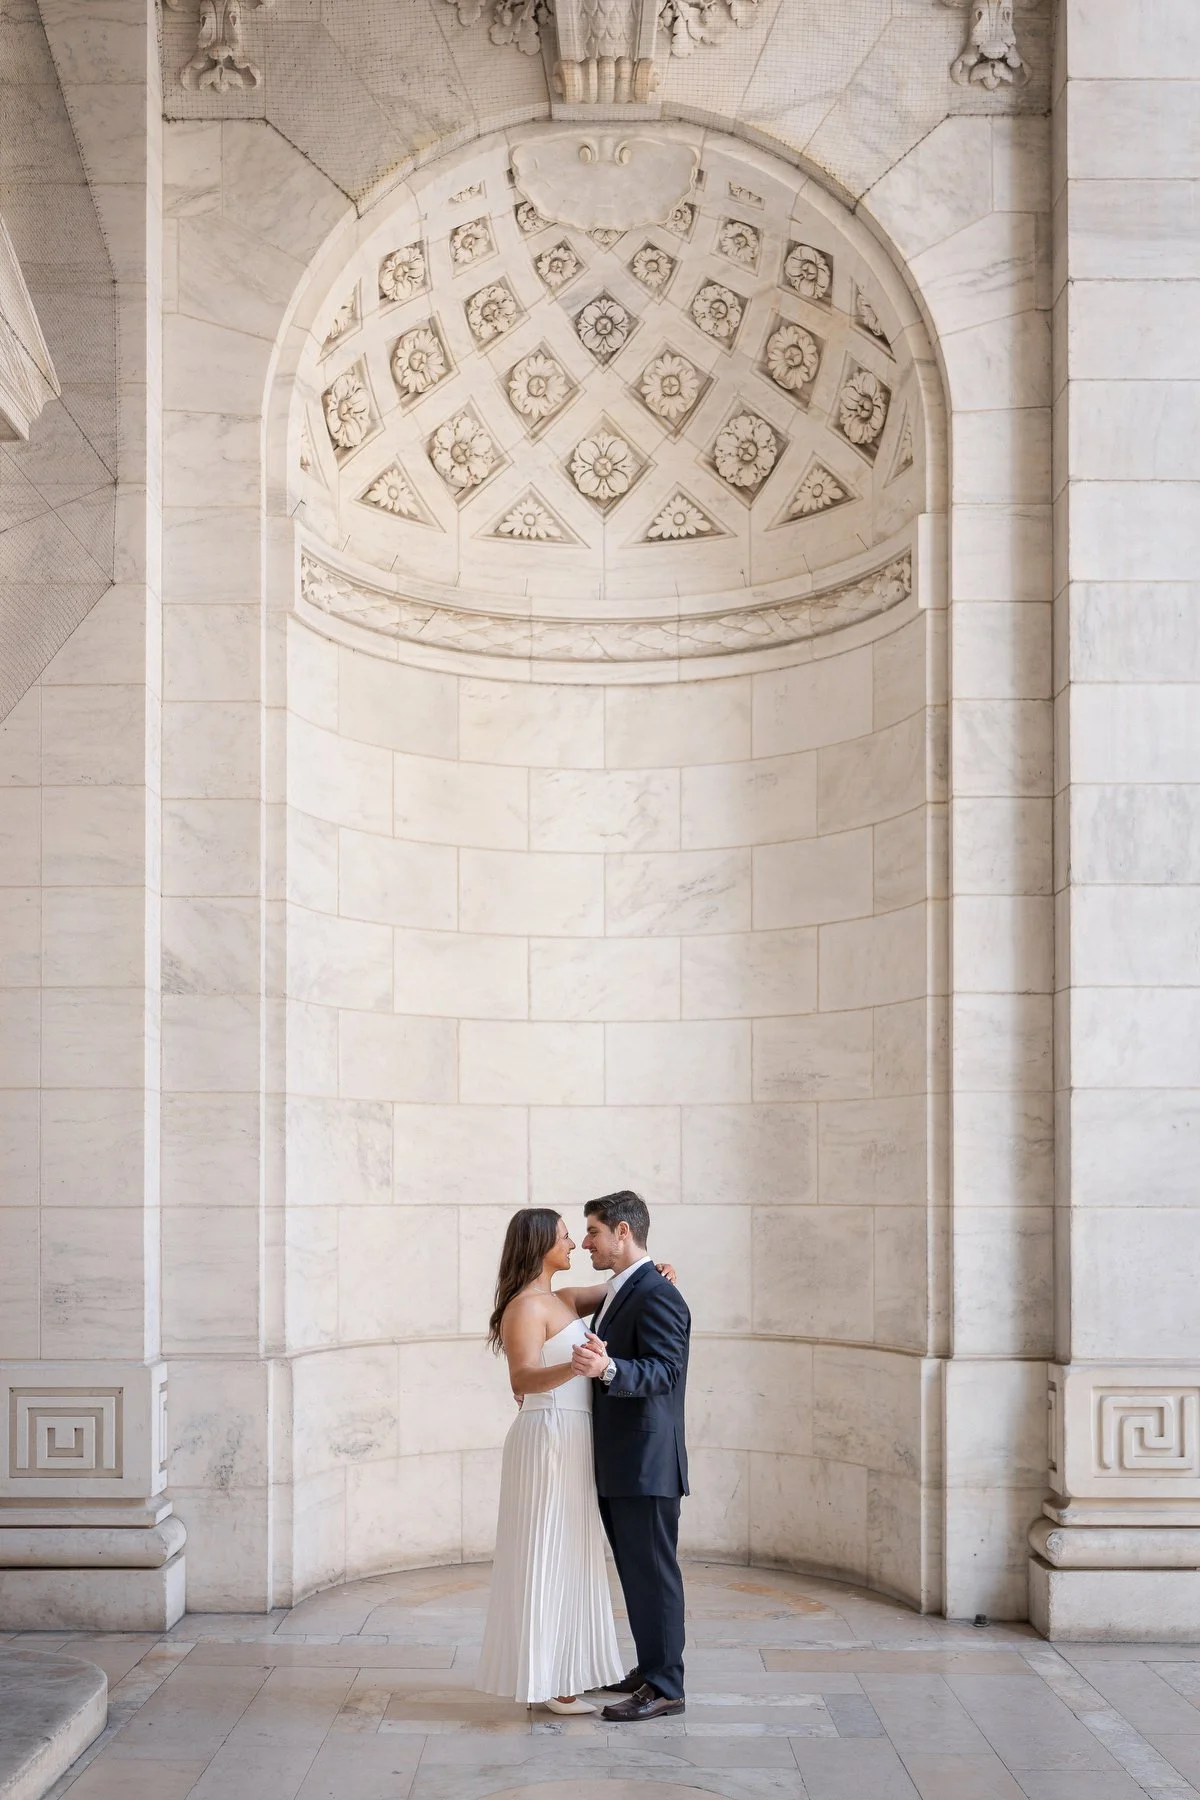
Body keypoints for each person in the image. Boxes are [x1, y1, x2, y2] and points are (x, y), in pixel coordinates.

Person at [474, 1206, 677, 1714]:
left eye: (582, 1234)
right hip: (548, 1438)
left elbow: (628, 1286)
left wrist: (662, 1270)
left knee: (568, 1552)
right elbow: (521, 1380)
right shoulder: (524, 1306)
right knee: (546, 1550)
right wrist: (576, 1366)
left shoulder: (562, 1299)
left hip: (574, 1439)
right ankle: (547, 1681)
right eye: (566, 1237)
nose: (577, 1246)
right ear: (539, 1244)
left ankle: (563, 1671)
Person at [571, 1190, 691, 1722]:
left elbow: (666, 1371)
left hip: (646, 1463)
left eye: (593, 1231)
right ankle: (650, 1669)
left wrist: (608, 1370)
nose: (584, 1242)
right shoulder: (628, 1288)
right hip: (621, 1462)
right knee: (636, 1574)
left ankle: (666, 1686)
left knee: (654, 1575)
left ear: (623, 1231)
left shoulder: (659, 1294)